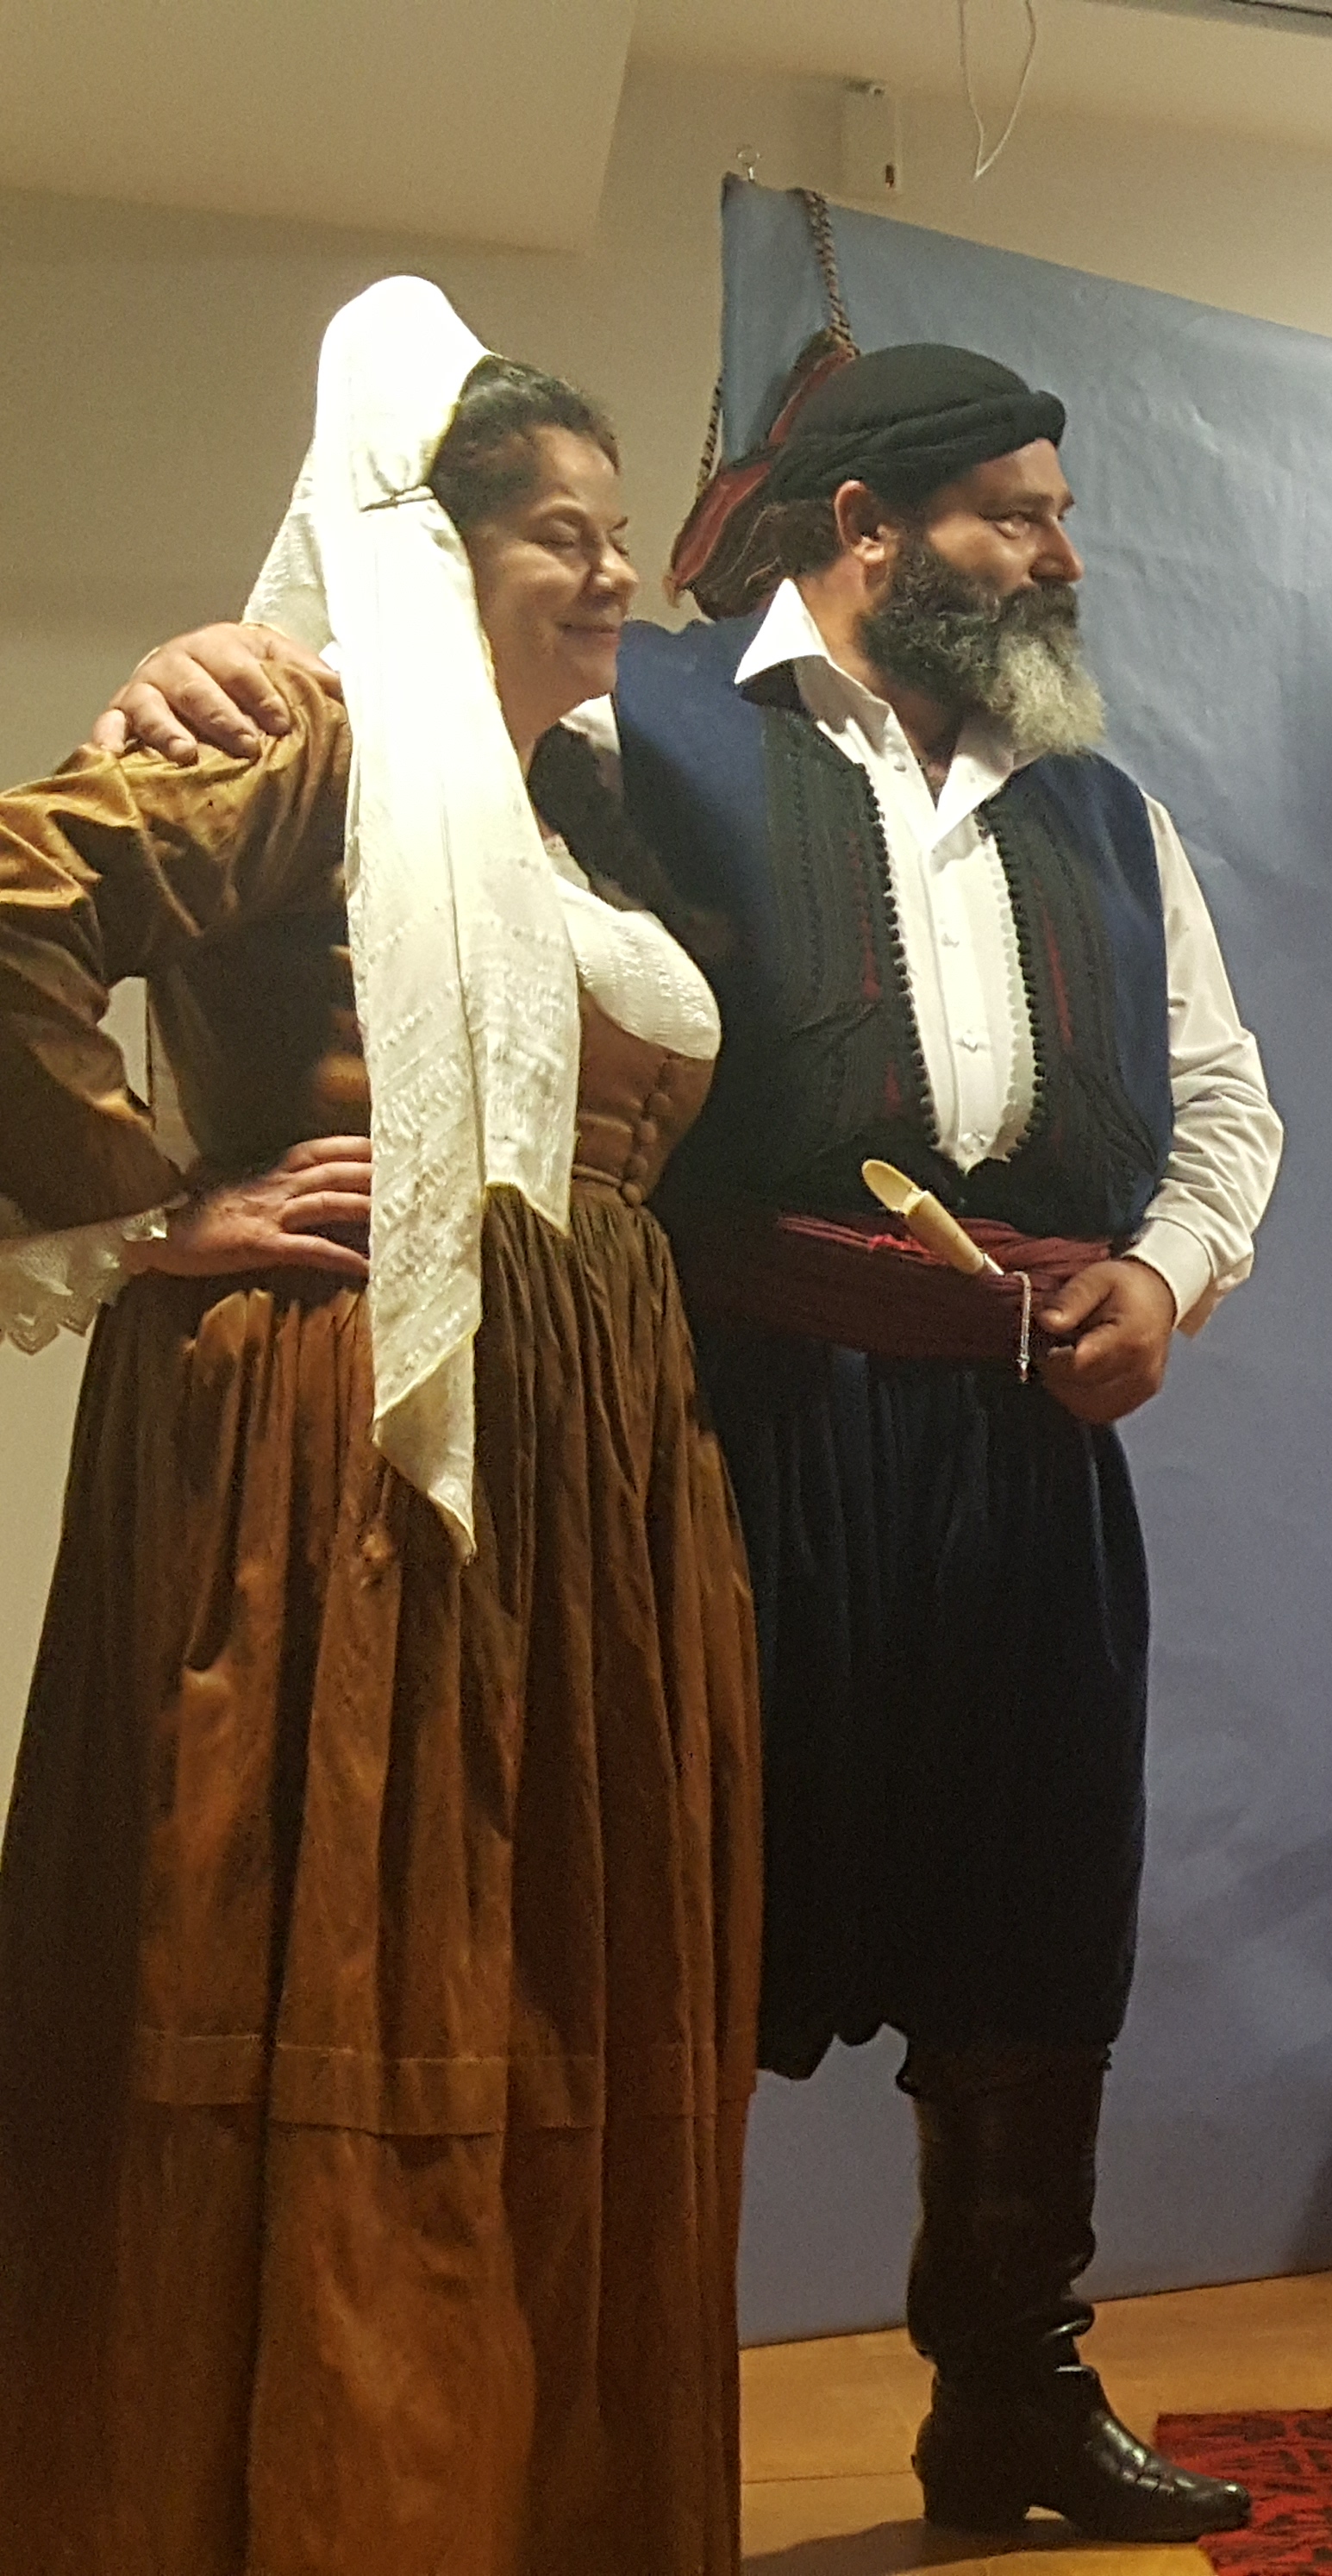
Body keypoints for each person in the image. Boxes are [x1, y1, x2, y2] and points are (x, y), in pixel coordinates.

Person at [113, 340, 1290, 2537]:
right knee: (661, 1922)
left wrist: (1167, 1270)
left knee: (1038, 1927)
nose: (1062, 558)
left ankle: (1014, 2397)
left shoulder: (1103, 811)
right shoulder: (632, 719)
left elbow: (1220, 1100)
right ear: (869, 527)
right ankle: (610, 2424)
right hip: (721, 1420)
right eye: (1017, 515)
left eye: (1061, 515)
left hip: (1027, 1442)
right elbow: (384, 722)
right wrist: (206, 661)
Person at [0, 281, 758, 2573]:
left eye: (619, 533)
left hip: (585, 1470)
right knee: (354, 1960)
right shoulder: (301, 737)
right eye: (558, 533)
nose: (611, 575)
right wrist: (153, 1205)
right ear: (433, 552)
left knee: (528, 1978)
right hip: (343, 1452)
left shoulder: (566, 809)